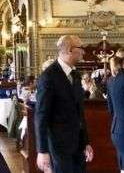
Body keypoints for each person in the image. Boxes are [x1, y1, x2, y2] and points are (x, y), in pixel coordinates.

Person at [35, 35, 93, 173]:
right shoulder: (48, 76)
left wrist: (86, 142)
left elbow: (80, 112)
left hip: (78, 144)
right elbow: (41, 116)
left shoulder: (76, 75)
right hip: (58, 145)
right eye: (80, 48)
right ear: (69, 50)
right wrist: (42, 151)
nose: (83, 52)